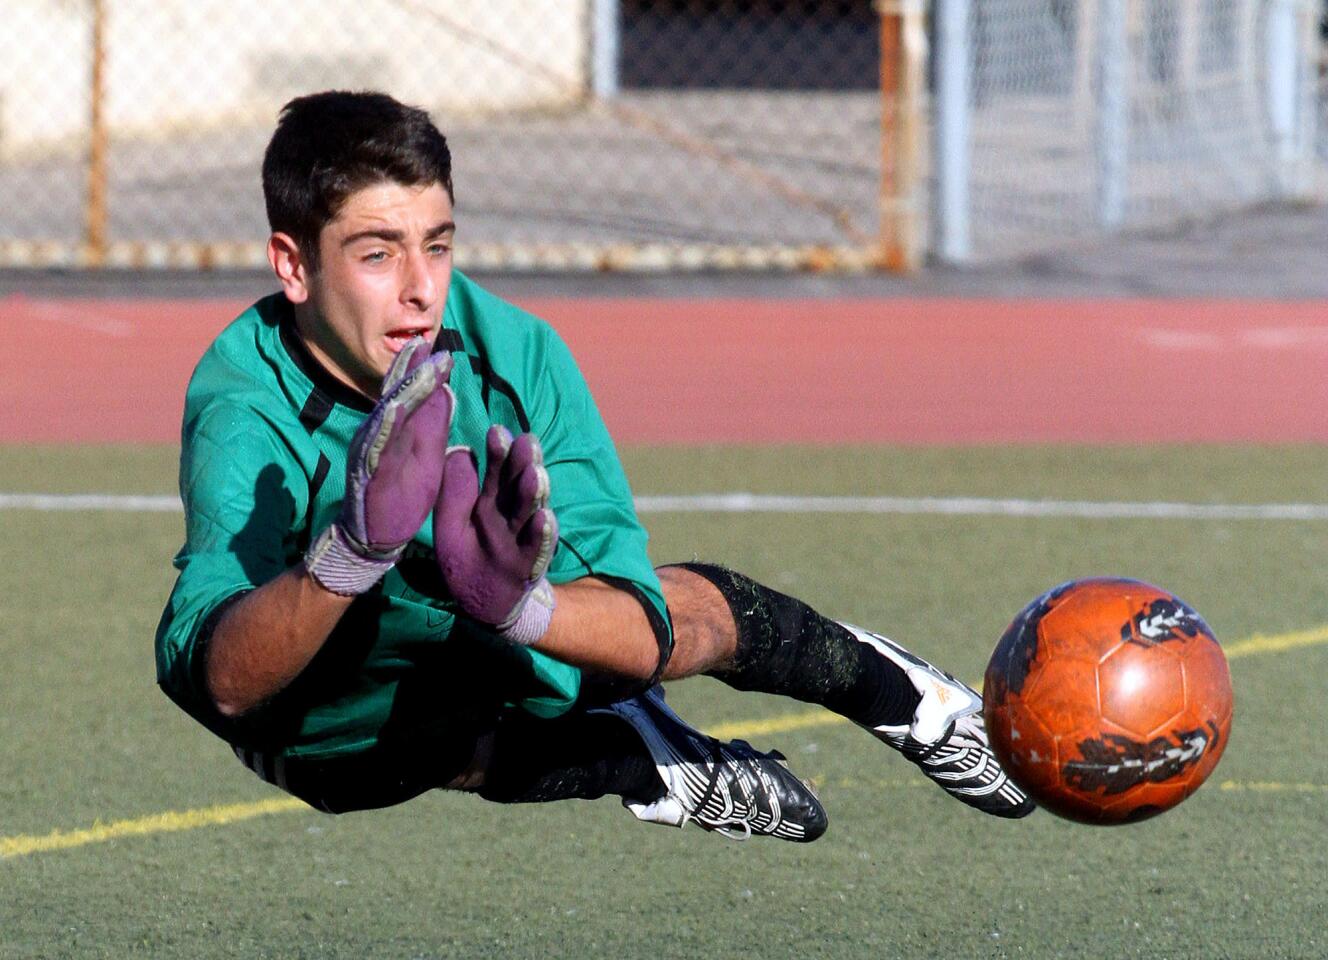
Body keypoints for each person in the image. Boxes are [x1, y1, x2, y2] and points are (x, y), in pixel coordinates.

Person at [155, 91, 1033, 843]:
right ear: (294, 267)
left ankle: (903, 695)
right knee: (354, 767)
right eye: (378, 253)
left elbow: (638, 626)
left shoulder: (516, 356)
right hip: (340, 703)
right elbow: (224, 682)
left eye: (439, 243)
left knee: (675, 627)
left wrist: (519, 604)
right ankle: (643, 759)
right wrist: (352, 553)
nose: (422, 288)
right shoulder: (245, 400)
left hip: (503, 633)